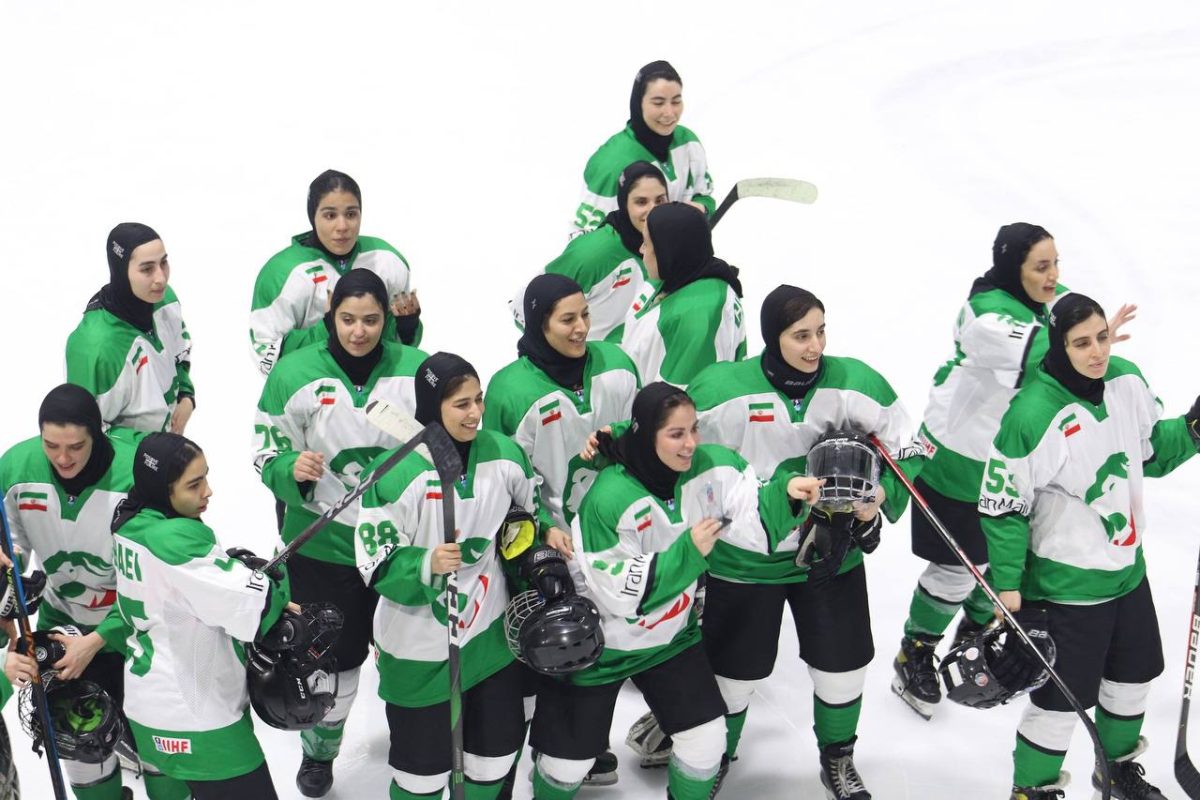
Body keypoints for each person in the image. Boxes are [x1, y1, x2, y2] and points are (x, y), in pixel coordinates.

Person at [681, 285, 922, 799]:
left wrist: (881, 494)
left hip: (832, 552)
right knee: (733, 678)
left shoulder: (857, 383)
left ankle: (837, 759)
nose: (815, 346)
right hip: (746, 562)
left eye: (820, 331)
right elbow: (673, 444)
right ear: (772, 337)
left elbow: (913, 446)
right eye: (800, 335)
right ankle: (716, 755)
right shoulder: (719, 389)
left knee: (843, 670)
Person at [529, 382, 822, 800]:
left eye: (694, 429)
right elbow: (618, 593)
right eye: (676, 434)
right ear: (647, 435)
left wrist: (785, 493)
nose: (691, 444)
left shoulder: (712, 466)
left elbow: (749, 507)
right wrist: (689, 551)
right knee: (566, 765)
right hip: (599, 646)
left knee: (706, 743)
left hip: (670, 639)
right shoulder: (608, 497)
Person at [890, 223, 1135, 720]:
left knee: (1007, 566)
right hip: (961, 456)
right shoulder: (986, 315)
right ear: (1013, 268)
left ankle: (975, 632)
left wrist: (1091, 333)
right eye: (1040, 267)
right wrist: (1094, 336)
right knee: (959, 569)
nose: (1053, 276)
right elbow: (1051, 349)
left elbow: (1069, 330)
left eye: (1056, 264)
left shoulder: (1050, 301)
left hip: (1019, 458)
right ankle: (914, 650)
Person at [980, 293, 1197, 800]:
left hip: (1125, 571)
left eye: (1102, 337)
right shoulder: (1032, 414)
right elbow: (1003, 506)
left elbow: (1151, 453)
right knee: (1060, 701)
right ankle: (1031, 791)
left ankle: (1116, 772)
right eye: (1082, 343)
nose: (1098, 351)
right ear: (1059, 346)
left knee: (1134, 676)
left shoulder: (1125, 380)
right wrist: (1008, 586)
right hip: (1065, 585)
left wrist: (1193, 427)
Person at [253, 268, 427, 797]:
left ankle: (415, 738)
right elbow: (265, 451)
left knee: (411, 651)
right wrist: (289, 471)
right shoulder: (293, 374)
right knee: (333, 662)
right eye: (347, 319)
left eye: (371, 320)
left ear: (386, 317)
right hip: (324, 547)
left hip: (399, 544)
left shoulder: (418, 371)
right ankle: (321, 752)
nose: (359, 331)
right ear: (331, 314)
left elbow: (444, 449)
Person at [356, 352, 544, 800]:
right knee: (421, 776)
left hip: (490, 639)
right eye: (461, 403)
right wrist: (425, 563)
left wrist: (538, 539)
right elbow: (374, 559)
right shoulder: (396, 473)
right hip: (418, 646)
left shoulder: (505, 454)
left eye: (478, 400)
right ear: (432, 406)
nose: (476, 413)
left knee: (495, 756)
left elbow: (522, 519)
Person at [486, 273, 640, 789]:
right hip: (542, 538)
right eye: (566, 319)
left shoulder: (617, 366)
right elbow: (500, 475)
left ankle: (583, 742)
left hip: (608, 534)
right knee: (544, 645)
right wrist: (540, 531)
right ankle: (542, 745)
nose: (580, 329)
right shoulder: (510, 389)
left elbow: (641, 439)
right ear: (538, 321)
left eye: (584, 316)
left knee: (597, 643)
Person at [0, 384, 171, 800]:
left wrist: (100, 641)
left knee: (162, 750)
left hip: (143, 629)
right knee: (77, 743)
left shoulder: (139, 477)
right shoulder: (16, 469)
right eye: (51, 445)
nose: (62, 458)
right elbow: (12, 569)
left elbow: (164, 578)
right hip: (66, 627)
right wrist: (15, 637)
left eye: (76, 446)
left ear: (98, 434)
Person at [112, 433, 291, 799]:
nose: (207, 492)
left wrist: (228, 566)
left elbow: (184, 588)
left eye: (205, 477)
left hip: (149, 709)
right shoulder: (175, 539)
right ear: (163, 489)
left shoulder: (130, 522)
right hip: (198, 720)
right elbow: (252, 610)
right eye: (194, 484)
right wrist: (275, 580)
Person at [249, 169, 421, 376]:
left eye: (351, 214)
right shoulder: (281, 273)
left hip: (377, 391)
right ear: (313, 215)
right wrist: (327, 327)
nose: (342, 226)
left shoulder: (386, 259)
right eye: (330, 215)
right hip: (313, 389)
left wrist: (407, 328)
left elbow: (397, 348)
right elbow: (267, 357)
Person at [66, 223, 195, 433]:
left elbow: (180, 355)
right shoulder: (94, 347)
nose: (161, 278)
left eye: (164, 263)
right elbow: (83, 436)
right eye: (147, 269)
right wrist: (150, 452)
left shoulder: (166, 301)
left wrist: (186, 398)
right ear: (120, 270)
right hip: (133, 462)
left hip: (166, 451)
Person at [570, 60, 713, 236]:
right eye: (658, 103)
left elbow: (704, 196)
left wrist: (701, 209)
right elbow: (584, 243)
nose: (669, 113)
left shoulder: (688, 142)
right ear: (638, 103)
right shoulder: (610, 165)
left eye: (676, 101)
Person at [539, 162, 667, 342]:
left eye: (660, 200)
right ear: (624, 203)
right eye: (641, 202)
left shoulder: (670, 243)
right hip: (591, 366)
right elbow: (528, 310)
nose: (653, 210)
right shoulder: (592, 253)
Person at [620, 203, 745, 388]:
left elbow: (677, 407)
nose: (641, 250)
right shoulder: (679, 274)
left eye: (646, 243)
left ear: (667, 251)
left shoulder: (695, 319)